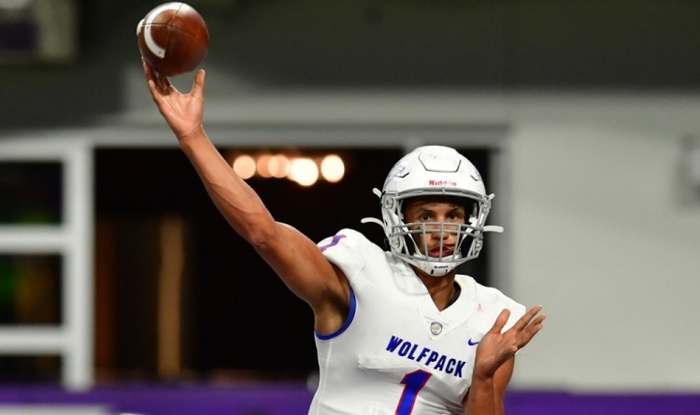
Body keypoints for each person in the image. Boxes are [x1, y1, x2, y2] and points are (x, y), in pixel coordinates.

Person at [142, 61, 545, 415]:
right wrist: (193, 137)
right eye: (426, 215)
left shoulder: (492, 316)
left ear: (472, 220)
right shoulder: (359, 271)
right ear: (397, 217)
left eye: (453, 215)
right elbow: (264, 234)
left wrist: (484, 378)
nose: (440, 229)